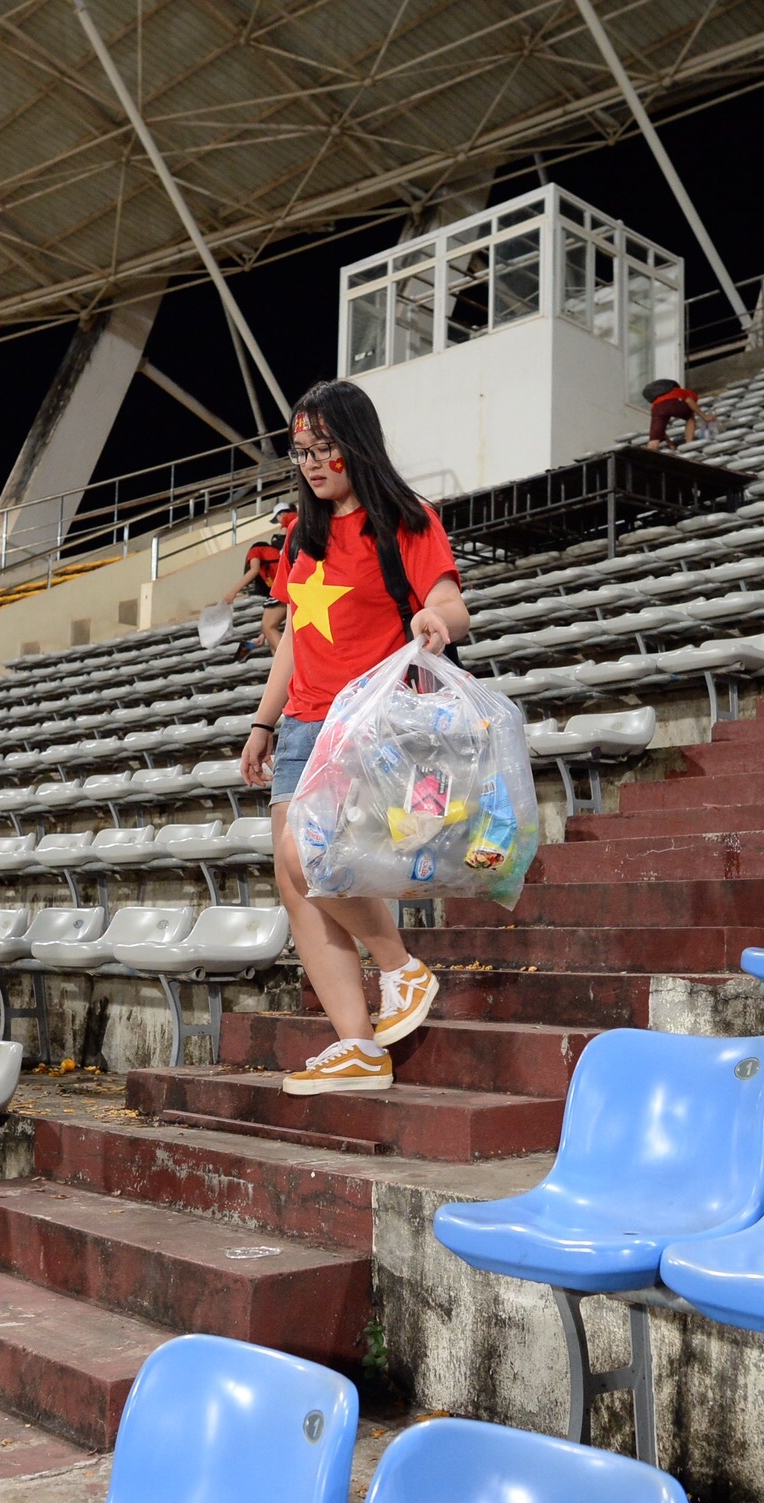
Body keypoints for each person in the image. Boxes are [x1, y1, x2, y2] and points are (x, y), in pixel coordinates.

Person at [241, 381, 471, 1095]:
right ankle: (359, 1047)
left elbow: (449, 600)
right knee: (294, 880)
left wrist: (437, 623)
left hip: (365, 719)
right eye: (301, 451)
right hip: (303, 722)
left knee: (304, 853)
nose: (311, 463)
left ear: (356, 443)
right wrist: (262, 721)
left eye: (325, 448)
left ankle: (401, 968)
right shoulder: (300, 541)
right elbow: (292, 639)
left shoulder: (404, 518)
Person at [221, 523, 289, 656]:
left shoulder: (256, 549)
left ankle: (289, 664)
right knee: (270, 634)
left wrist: (232, 592)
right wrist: (263, 635)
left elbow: (254, 570)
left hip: (284, 587)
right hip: (289, 588)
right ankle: (282, 672)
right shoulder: (272, 556)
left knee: (269, 626)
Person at [643, 378, 716, 452]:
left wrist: (671, 444)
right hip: (675, 402)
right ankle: (689, 443)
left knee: (655, 437)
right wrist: (704, 416)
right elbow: (689, 401)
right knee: (690, 418)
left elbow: (661, 430)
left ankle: (650, 451)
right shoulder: (681, 391)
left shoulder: (656, 400)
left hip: (657, 408)